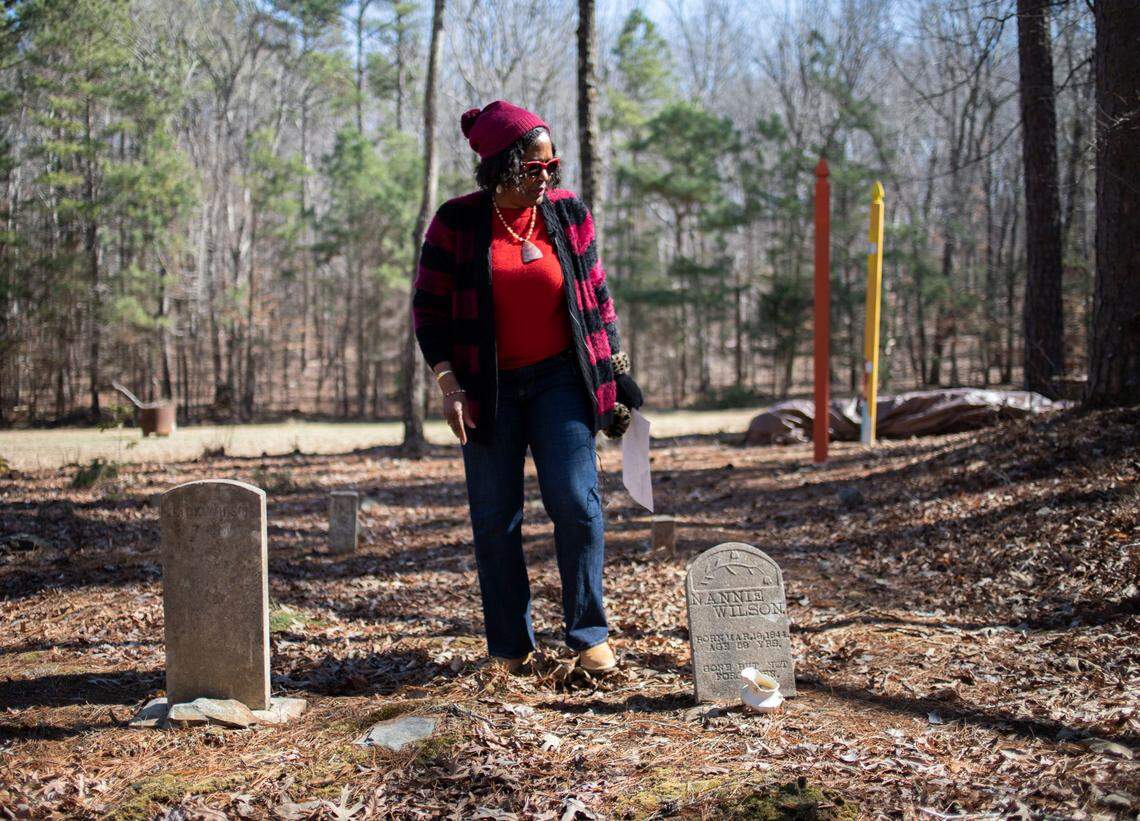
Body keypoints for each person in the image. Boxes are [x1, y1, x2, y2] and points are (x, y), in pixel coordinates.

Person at [411, 100, 644, 674]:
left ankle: (589, 635)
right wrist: (449, 386)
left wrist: (615, 375)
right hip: (487, 392)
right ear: (497, 168)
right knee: (496, 518)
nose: (545, 179)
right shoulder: (457, 223)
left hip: (560, 381)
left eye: (551, 167)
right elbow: (429, 313)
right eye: (531, 169)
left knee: (578, 504)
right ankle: (510, 649)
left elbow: (597, 295)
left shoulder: (568, 213)